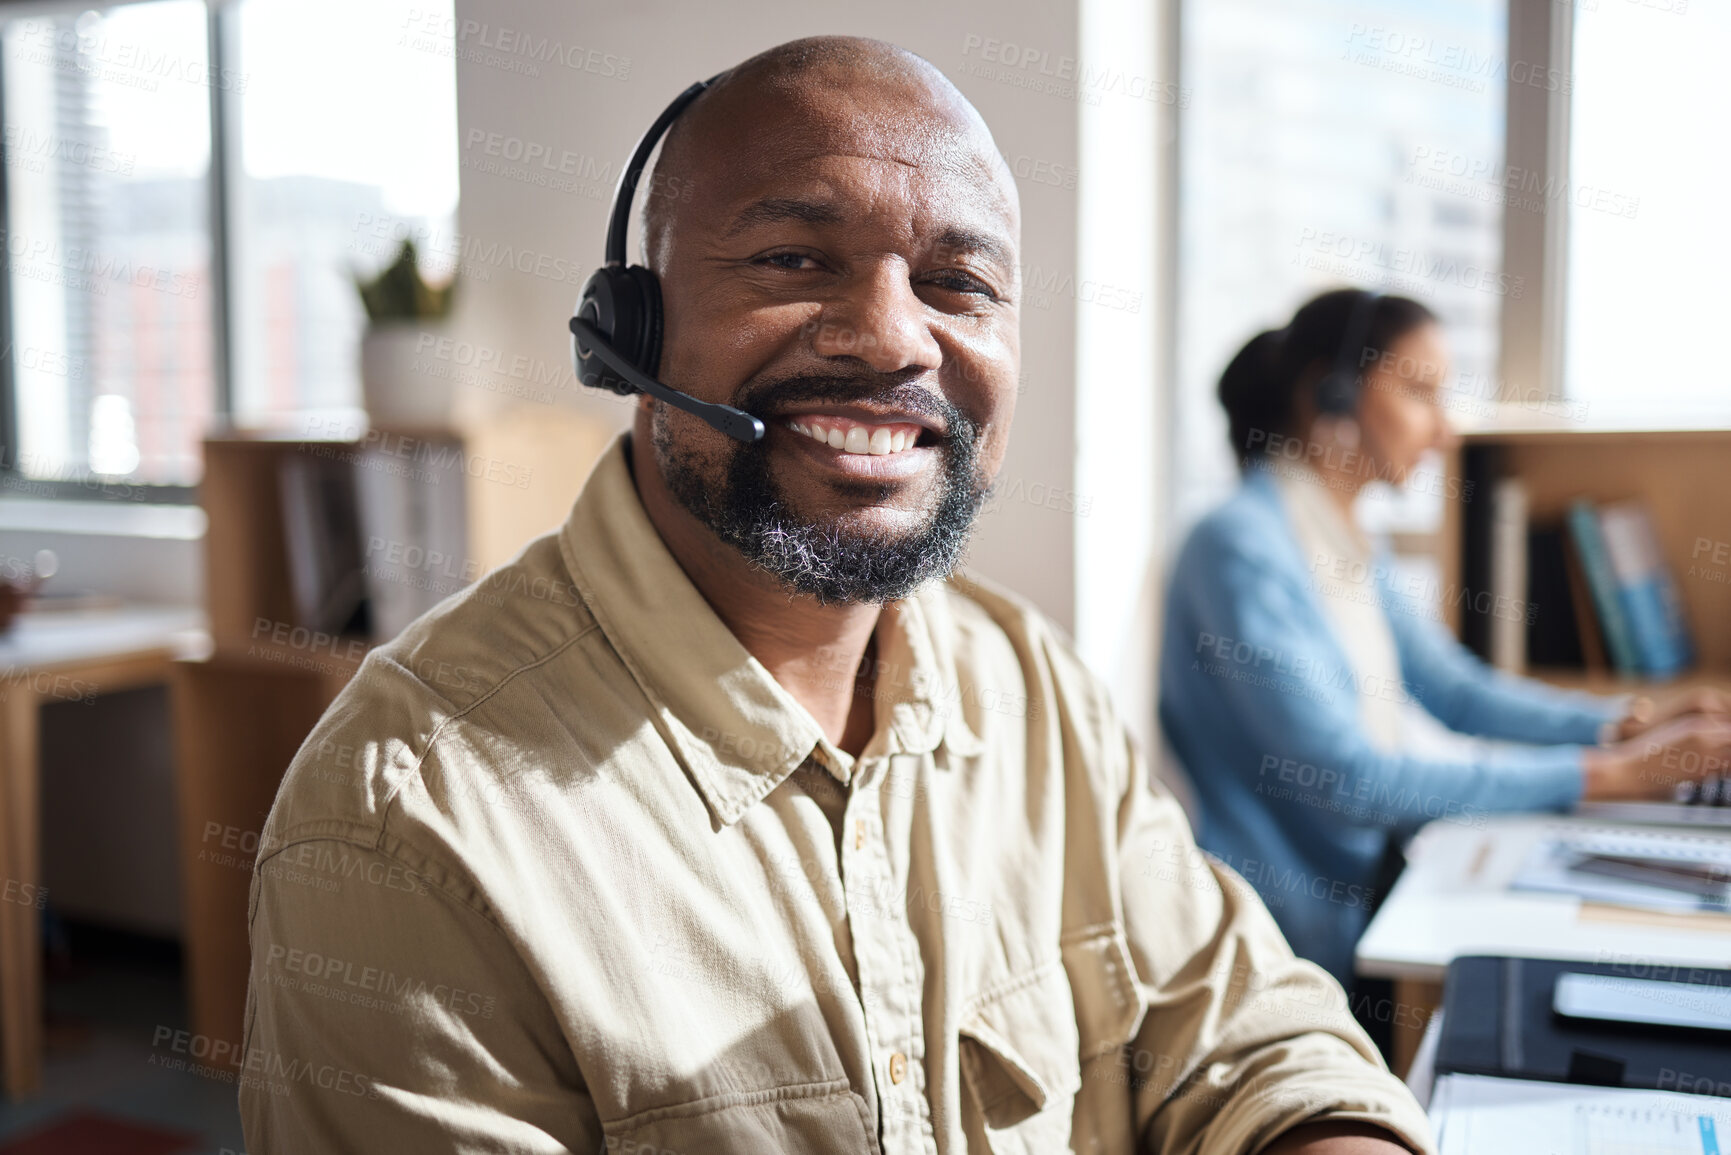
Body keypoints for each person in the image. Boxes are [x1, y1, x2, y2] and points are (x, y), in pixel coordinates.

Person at [242, 41, 1435, 1154]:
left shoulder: (1031, 688)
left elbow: (1246, 1031)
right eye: (792, 260)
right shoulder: (409, 819)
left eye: (956, 283)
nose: (888, 336)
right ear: (632, 328)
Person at [1159, 287, 1731, 990]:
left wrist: (1616, 728)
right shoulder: (1238, 547)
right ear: (1332, 394)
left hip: (1359, 900)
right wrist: (1612, 774)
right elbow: (1348, 778)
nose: (1445, 431)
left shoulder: (1340, 537)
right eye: (1420, 391)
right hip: (1279, 937)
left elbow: (1454, 691)